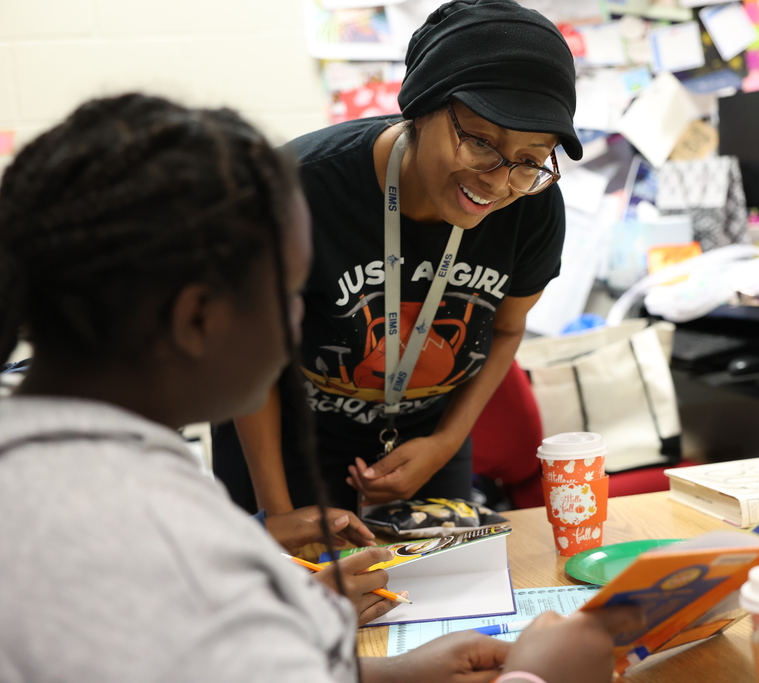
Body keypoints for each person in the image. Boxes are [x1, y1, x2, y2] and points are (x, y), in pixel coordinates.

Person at [0, 93, 636, 683]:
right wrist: (534, 675)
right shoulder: (147, 531)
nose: (302, 322)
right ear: (199, 318)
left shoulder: (31, 457)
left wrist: (365, 660)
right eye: (290, 294)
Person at [212, 0, 581, 514]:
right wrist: (278, 513)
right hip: (285, 440)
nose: (498, 182)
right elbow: (246, 352)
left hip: (423, 442)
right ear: (421, 106)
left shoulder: (533, 207)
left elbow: (506, 329)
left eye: (529, 160)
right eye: (480, 142)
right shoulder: (296, 190)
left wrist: (445, 444)